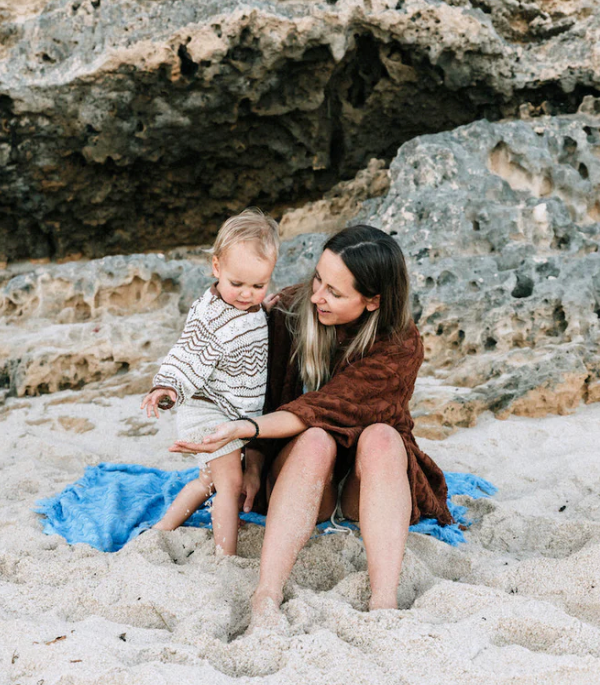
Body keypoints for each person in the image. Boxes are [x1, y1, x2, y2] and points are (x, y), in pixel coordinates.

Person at [171, 224, 451, 618]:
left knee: (384, 438)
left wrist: (246, 429)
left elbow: (327, 406)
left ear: (373, 301)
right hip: (300, 475)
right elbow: (251, 388)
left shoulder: (400, 343)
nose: (317, 295)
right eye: (318, 277)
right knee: (317, 438)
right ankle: (266, 594)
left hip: (364, 482)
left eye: (334, 292)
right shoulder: (288, 310)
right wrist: (250, 458)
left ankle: (384, 600)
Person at [140, 208, 279, 556]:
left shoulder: (250, 308)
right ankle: (225, 556)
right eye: (237, 284)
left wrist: (267, 307)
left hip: (232, 410)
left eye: (258, 285)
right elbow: (187, 353)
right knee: (229, 484)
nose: (246, 294)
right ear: (216, 268)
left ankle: (163, 528)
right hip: (206, 410)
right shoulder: (210, 316)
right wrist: (167, 388)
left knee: (207, 481)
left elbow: (253, 321)